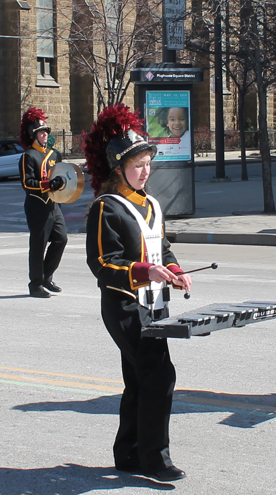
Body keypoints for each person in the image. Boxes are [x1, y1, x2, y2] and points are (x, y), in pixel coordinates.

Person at [84, 104, 192, 483]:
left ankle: (127, 452)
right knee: (159, 375)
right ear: (118, 169)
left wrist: (175, 271)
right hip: (124, 307)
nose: (145, 171)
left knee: (139, 378)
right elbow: (102, 263)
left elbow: (161, 250)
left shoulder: (152, 205)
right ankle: (154, 459)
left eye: (148, 163)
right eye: (137, 165)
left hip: (154, 306)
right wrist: (145, 271)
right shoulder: (106, 208)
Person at [18, 108, 67, 298]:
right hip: (37, 206)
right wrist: (48, 184)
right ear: (34, 135)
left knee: (61, 238)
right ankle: (35, 284)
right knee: (38, 245)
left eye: (46, 132)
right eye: (41, 132)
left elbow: (61, 175)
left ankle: (46, 276)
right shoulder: (28, 156)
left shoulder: (54, 155)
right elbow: (26, 183)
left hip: (54, 204)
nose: (45, 135)